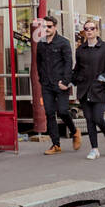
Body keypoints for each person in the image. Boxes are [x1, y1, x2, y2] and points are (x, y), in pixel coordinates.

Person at [72, 18, 105, 160]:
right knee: (89, 120)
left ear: (97, 31)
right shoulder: (80, 50)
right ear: (84, 32)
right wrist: (69, 81)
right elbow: (77, 70)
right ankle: (94, 149)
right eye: (87, 29)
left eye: (92, 28)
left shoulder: (104, 47)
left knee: (98, 118)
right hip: (84, 90)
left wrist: (102, 80)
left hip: (99, 89)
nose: (89, 31)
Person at [36, 15, 80, 154]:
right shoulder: (41, 43)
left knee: (62, 111)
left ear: (55, 27)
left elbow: (69, 63)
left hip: (61, 83)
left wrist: (66, 82)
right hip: (46, 84)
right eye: (44, 27)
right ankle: (56, 144)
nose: (46, 29)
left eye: (49, 26)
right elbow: (39, 63)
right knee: (49, 113)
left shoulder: (63, 43)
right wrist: (41, 79)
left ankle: (74, 131)